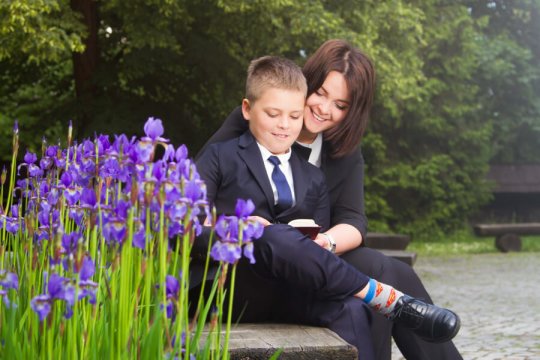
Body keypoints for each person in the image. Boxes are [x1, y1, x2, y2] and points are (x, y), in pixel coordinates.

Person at [197, 40, 464, 360]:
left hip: (312, 258)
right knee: (365, 270)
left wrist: (324, 242)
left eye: (340, 104)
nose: (324, 109)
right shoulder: (256, 123)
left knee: (390, 270)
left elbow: (354, 219)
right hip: (247, 263)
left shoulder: (343, 152)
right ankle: (380, 297)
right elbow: (199, 194)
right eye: (320, 93)